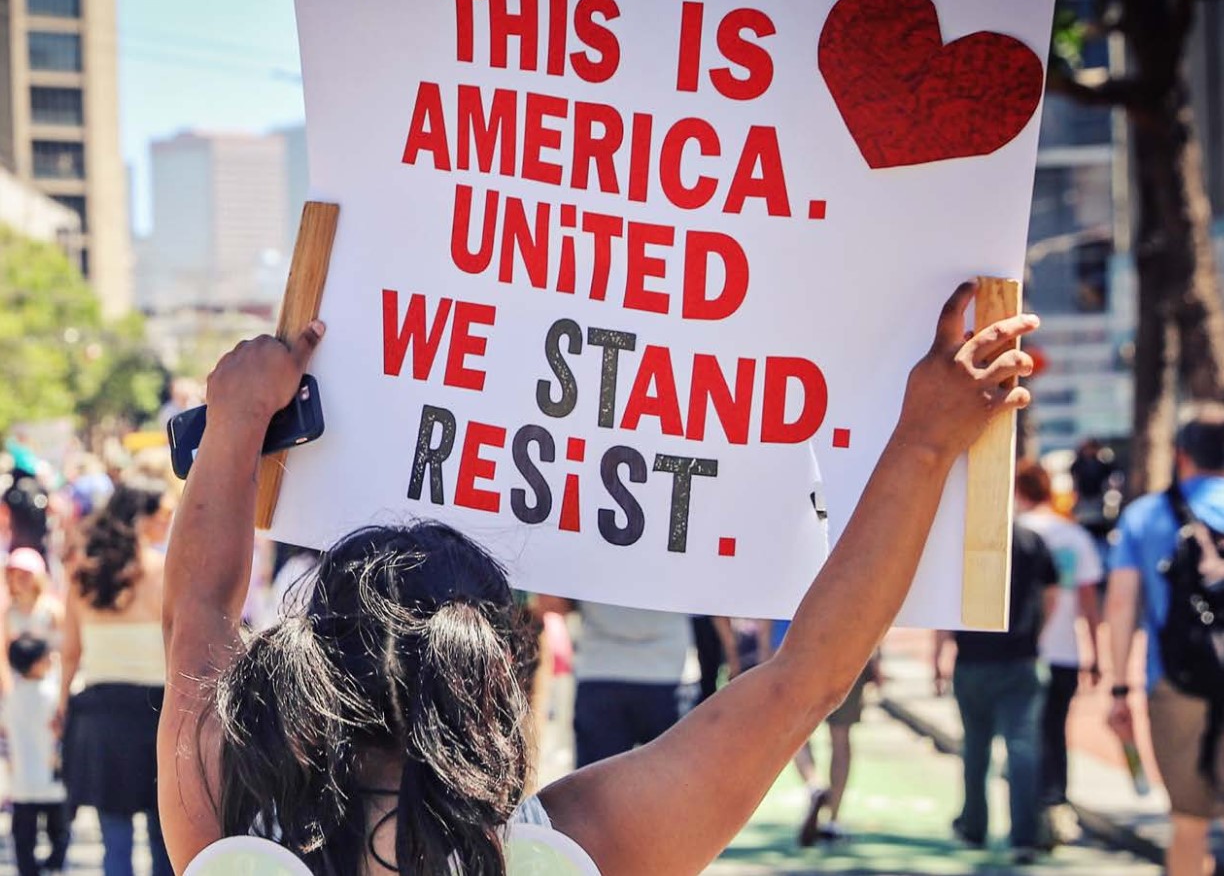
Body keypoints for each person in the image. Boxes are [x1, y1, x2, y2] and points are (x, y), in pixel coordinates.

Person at [157, 282, 1038, 874]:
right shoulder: (569, 849)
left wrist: (236, 416)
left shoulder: (232, 814)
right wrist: (924, 441)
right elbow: (806, 679)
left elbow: (197, 606)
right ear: (495, 674)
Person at [1105, 405, 1224, 876]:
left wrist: (1119, 689)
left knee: (1189, 825)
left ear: (1181, 455)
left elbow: (1120, 607)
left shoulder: (1146, 515)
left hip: (1176, 682)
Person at [61, 478, 174, 876]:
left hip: (103, 714)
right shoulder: (166, 571)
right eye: (162, 516)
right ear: (142, 519)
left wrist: (60, 706)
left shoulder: (83, 574)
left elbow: (71, 653)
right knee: (165, 835)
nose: (169, 522)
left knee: (115, 835)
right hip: (158, 713)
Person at [934, 524, 1059, 864]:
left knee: (976, 748)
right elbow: (1051, 595)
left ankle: (974, 826)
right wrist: (1036, 636)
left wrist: (939, 654)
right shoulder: (1032, 540)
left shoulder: (964, 540)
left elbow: (946, 601)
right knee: (1022, 749)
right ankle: (1024, 836)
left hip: (974, 659)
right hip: (1020, 658)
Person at [1014, 459, 1103, 832]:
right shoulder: (1073, 536)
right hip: (1065, 649)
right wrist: (1096, 654)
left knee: (1022, 737)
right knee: (1055, 731)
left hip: (1018, 650)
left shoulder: (1012, 532)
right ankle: (1056, 805)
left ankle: (1030, 816)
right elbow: (1089, 600)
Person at [531, 599, 694, 768]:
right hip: (665, 671)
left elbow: (551, 603)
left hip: (600, 669)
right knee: (665, 784)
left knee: (596, 788)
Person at [761, 617, 877, 845]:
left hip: (792, 648)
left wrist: (764, 654)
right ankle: (833, 819)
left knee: (794, 731)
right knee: (841, 736)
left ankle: (813, 785)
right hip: (847, 646)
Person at [4, 633, 70, 876]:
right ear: (37, 663)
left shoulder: (11, 698)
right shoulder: (54, 695)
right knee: (60, 834)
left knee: (23, 839)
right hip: (53, 780)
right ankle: (53, 868)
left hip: (22, 782)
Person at [1, 547, 63, 695]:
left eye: (26, 575)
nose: (21, 580)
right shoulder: (9, 613)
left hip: (48, 680)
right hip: (19, 683)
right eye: (16, 576)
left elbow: (62, 647)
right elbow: (4, 649)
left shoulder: (51, 610)